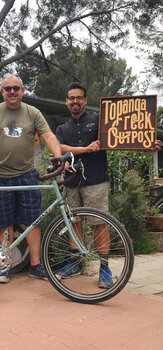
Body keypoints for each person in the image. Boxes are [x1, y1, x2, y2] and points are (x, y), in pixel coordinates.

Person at [55, 82, 162, 288]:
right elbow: (58, 148)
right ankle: (74, 262)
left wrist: (147, 144)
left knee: (98, 223)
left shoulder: (99, 121)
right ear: (67, 102)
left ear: (85, 100)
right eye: (71, 98)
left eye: (79, 98)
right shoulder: (62, 128)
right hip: (70, 180)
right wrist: (85, 149)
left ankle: (104, 268)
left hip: (96, 180)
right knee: (74, 222)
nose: (75, 101)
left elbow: (124, 131)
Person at [0, 74, 62, 283]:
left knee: (32, 221)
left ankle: (36, 265)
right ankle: (5, 266)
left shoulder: (33, 113)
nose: (12, 92)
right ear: (2, 92)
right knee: (4, 223)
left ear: (23, 90)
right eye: (7, 89)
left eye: (16, 88)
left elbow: (49, 136)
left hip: (27, 174)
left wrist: (58, 155)